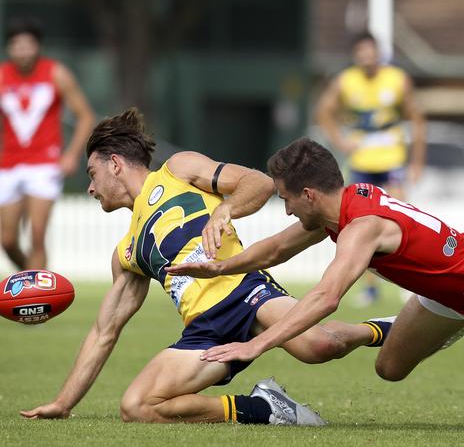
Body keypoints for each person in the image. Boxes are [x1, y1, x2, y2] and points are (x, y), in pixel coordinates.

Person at [167, 137, 464, 386]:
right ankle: (391, 327)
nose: (287, 208)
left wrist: (258, 346)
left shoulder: (360, 227)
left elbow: (326, 297)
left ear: (309, 193)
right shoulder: (340, 205)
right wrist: (218, 268)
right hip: (444, 295)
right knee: (389, 369)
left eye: (289, 199)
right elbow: (273, 249)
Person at [20, 109, 393, 425]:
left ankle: (383, 328)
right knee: (137, 407)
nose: (90, 187)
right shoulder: (127, 253)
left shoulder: (176, 171)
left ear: (115, 164)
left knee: (318, 346)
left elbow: (258, 183)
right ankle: (263, 408)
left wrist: (224, 210)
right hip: (205, 332)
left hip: (245, 292)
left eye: (91, 174)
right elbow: (105, 331)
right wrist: (63, 402)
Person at [316, 31, 427, 305]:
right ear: (355, 55)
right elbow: (323, 110)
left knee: (402, 218)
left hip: (392, 157)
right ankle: (370, 288)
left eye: (371, 51)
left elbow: (417, 118)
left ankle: (410, 282)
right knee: (357, 224)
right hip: (361, 160)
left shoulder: (397, 79)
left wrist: (417, 162)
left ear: (378, 53)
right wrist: (339, 140)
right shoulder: (345, 81)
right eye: (361, 52)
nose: (367, 57)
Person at [0, 18, 95, 270]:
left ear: (38, 46)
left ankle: (36, 297)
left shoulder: (55, 73)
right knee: (7, 240)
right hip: (8, 163)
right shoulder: (2, 76)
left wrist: (72, 155)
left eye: (27, 44)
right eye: (16, 45)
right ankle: (31, 278)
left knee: (37, 236)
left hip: (44, 163)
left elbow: (85, 116)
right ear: (9, 48)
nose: (22, 50)